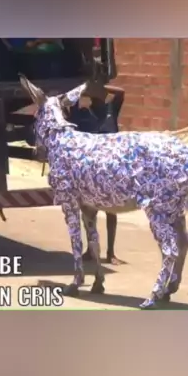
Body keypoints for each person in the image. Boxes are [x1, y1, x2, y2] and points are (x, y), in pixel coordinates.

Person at [68, 83, 125, 265]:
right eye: (96, 97)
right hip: (89, 171)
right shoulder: (81, 115)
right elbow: (71, 99)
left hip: (110, 169)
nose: (101, 99)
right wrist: (84, 88)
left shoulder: (111, 111)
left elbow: (121, 92)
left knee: (111, 211)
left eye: (102, 96)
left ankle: (111, 252)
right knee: (88, 212)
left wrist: (98, 85)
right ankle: (91, 250)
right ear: (92, 99)